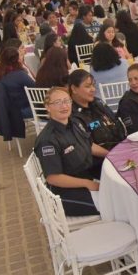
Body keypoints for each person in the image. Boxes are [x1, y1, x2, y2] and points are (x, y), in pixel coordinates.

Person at [34, 87, 105, 216]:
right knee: (112, 202)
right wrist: (88, 184)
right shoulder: (47, 140)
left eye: (67, 101)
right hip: (65, 193)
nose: (64, 106)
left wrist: (110, 155)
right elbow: (53, 178)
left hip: (86, 176)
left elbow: (89, 145)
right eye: (57, 102)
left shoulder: (75, 124)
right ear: (47, 107)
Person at [68, 69, 126, 175]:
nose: (93, 89)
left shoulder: (98, 103)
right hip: (98, 164)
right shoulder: (72, 115)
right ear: (74, 89)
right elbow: (87, 146)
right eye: (87, 86)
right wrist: (113, 155)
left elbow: (115, 122)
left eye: (93, 85)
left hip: (117, 152)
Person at [0, 46, 35, 119]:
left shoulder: (1, 73)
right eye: (19, 55)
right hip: (23, 110)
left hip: (10, 110)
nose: (21, 57)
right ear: (16, 59)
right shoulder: (19, 74)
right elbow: (35, 88)